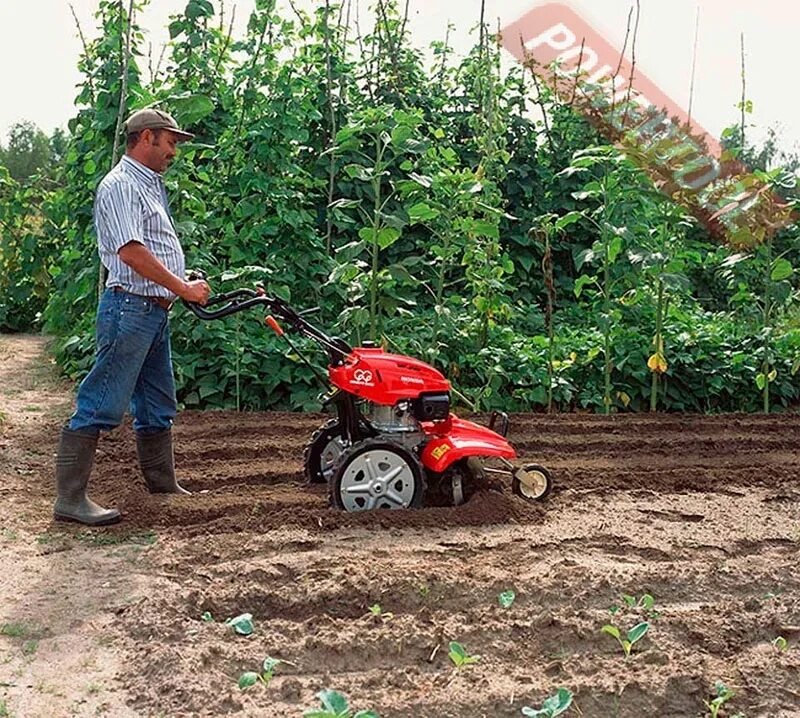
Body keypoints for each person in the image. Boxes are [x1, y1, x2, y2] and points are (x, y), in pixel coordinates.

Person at [53, 108, 211, 526]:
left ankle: (162, 484)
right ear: (146, 138)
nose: (174, 151)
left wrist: (179, 279)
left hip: (152, 311)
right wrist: (182, 288)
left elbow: (152, 248)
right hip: (130, 309)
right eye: (170, 141)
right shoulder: (120, 185)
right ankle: (70, 501)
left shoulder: (149, 185)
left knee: (158, 404)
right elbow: (130, 251)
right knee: (102, 401)